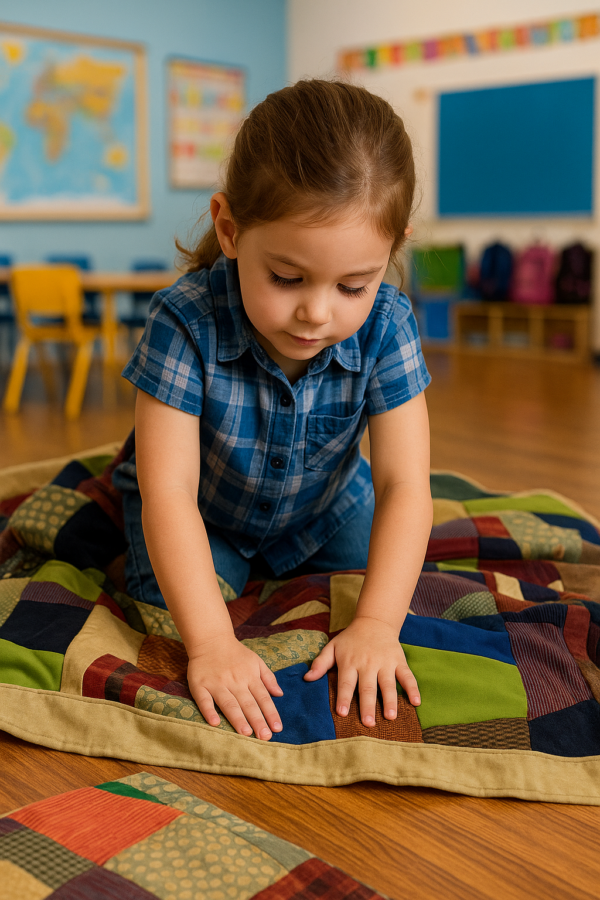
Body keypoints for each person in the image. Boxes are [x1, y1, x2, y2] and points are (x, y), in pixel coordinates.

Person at [113, 79, 433, 743]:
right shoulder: (184, 319)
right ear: (229, 229)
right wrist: (210, 646)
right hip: (208, 516)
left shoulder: (390, 322)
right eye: (287, 278)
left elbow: (405, 484)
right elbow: (166, 492)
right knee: (167, 609)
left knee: (395, 579)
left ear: (393, 249)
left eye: (354, 285)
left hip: (327, 510)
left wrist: (375, 626)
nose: (318, 312)